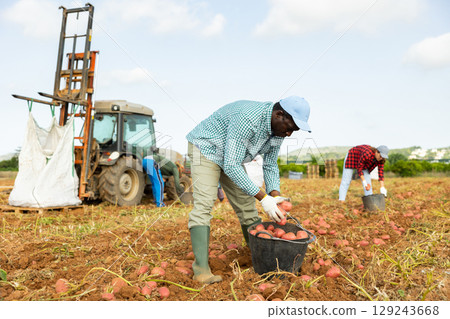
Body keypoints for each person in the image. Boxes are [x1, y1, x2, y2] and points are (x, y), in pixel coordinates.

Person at [186, 96, 311, 284]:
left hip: (232, 158)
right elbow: (231, 165)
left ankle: (260, 256)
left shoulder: (277, 132)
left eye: (294, 131)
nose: (289, 134)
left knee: (247, 208)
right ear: (279, 115)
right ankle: (201, 270)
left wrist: (274, 195)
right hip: (206, 149)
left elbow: (269, 164)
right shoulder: (248, 119)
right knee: (204, 205)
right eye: (290, 128)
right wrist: (263, 197)